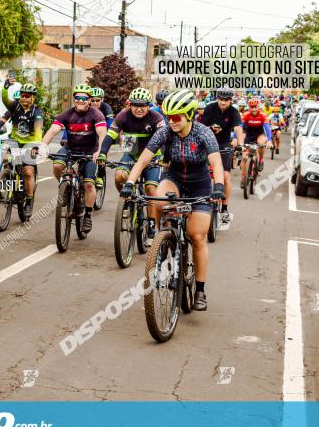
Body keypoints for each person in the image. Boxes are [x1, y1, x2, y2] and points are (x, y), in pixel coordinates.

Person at [121, 90, 224, 311]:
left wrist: (218, 188)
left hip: (200, 184)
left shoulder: (203, 133)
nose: (171, 121)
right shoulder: (165, 132)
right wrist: (130, 183)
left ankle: (200, 290)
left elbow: (216, 163)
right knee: (158, 199)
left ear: (189, 115)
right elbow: (143, 160)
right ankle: (162, 239)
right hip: (174, 178)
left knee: (197, 236)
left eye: (176, 117)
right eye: (168, 117)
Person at [97, 87, 164, 237]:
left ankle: (152, 224)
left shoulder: (156, 117)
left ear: (148, 106)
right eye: (135, 105)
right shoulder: (123, 115)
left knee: (150, 190)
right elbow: (110, 136)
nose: (139, 109)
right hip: (131, 152)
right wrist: (102, 153)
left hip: (152, 155)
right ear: (130, 105)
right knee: (119, 175)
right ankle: (127, 200)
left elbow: (164, 140)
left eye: (142, 105)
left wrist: (164, 157)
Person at [40, 84, 107, 234]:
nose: (80, 100)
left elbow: (102, 133)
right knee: (57, 166)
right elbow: (52, 131)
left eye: (84, 98)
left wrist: (100, 151)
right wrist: (43, 145)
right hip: (71, 149)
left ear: (89, 100)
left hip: (90, 152)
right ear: (74, 99)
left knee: (89, 185)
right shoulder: (67, 114)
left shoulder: (96, 115)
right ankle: (64, 189)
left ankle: (88, 215)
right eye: (77, 98)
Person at [199, 88, 244, 225]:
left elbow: (238, 128)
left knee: (225, 176)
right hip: (208, 143)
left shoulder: (234, 112)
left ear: (230, 100)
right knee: (202, 172)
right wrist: (211, 128)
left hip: (224, 144)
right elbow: (202, 127)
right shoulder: (210, 108)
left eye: (226, 100)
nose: (223, 102)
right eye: (221, 99)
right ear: (217, 98)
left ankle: (224, 208)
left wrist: (240, 144)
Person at [0, 78, 44, 216]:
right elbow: (5, 100)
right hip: (15, 141)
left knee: (28, 172)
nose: (23, 98)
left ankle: (29, 200)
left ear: (32, 98)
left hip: (30, 144)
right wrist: (5, 87)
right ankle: (5, 182)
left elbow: (38, 131)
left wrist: (36, 146)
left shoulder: (37, 112)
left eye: (26, 96)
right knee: (4, 159)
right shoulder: (15, 107)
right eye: (21, 95)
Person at [240, 97, 272, 179]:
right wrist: (236, 139)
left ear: (258, 107)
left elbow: (267, 129)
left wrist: (269, 140)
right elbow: (240, 128)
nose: (253, 109)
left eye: (255, 107)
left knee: (261, 143)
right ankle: (243, 177)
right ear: (249, 107)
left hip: (259, 134)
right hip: (249, 135)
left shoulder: (263, 115)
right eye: (251, 107)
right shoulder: (245, 115)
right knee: (244, 157)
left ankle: (261, 159)